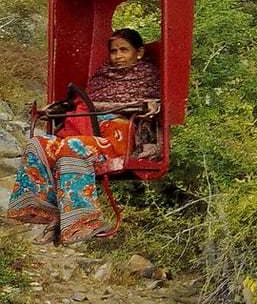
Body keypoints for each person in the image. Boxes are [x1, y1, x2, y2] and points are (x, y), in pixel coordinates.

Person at [7, 28, 160, 245]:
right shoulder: (102, 77)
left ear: (140, 52)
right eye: (114, 51)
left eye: (124, 50)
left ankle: (83, 222)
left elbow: (151, 109)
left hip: (117, 137)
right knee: (38, 144)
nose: (118, 56)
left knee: (72, 147)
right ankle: (54, 214)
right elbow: (82, 104)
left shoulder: (147, 76)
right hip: (88, 135)